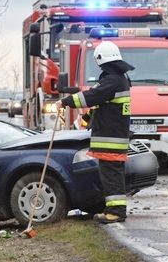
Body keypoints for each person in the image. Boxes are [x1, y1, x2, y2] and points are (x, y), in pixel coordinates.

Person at [57, 40, 133, 224]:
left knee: (111, 176)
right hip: (115, 137)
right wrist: (86, 120)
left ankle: (115, 212)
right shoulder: (119, 79)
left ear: (100, 60)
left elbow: (91, 96)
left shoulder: (112, 81)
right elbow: (102, 105)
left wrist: (65, 101)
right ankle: (113, 209)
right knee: (112, 175)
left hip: (111, 140)